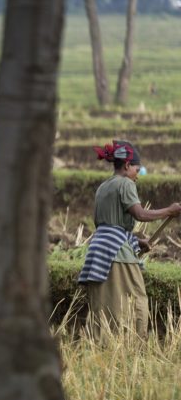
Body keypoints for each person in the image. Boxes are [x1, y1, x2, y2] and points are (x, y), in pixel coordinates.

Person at [78, 140, 181, 338]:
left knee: (107, 300)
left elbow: (107, 224)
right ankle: (131, 342)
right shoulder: (125, 183)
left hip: (98, 249)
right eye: (137, 169)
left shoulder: (103, 187)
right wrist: (169, 210)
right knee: (136, 297)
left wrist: (134, 240)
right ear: (127, 166)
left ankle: (104, 343)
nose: (137, 176)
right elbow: (140, 214)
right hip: (116, 251)